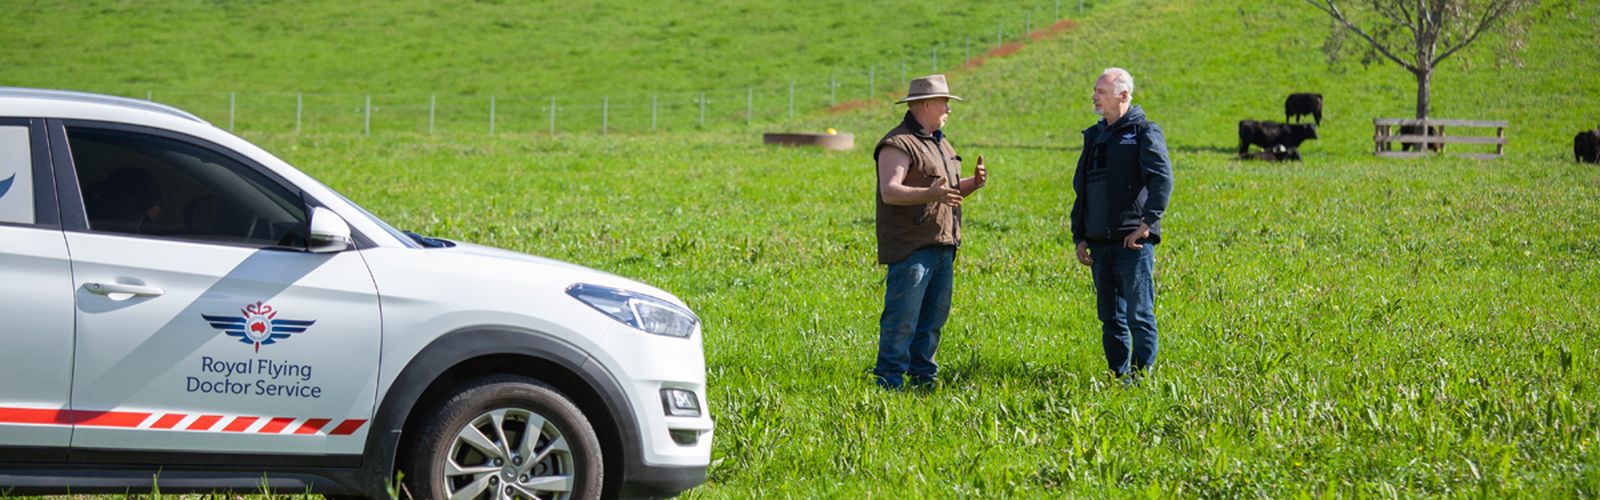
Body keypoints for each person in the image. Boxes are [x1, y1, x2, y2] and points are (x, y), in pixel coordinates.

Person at [871, 74, 987, 390]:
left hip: (943, 245)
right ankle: (889, 381)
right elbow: (890, 191)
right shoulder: (897, 143)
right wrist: (930, 194)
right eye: (944, 102)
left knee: (933, 321)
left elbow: (946, 193)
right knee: (902, 320)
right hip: (911, 247)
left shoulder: (942, 144)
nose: (948, 109)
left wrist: (973, 184)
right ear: (925, 104)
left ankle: (923, 380)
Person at [1070, 68, 1172, 383]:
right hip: (1100, 244)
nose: (1094, 97)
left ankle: (1141, 379)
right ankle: (1118, 377)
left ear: (1123, 95)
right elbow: (1083, 188)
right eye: (1095, 90)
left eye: (1101, 91)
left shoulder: (1144, 132)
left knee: (1138, 314)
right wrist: (1080, 235)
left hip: (1133, 243)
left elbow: (1161, 179)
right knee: (1110, 317)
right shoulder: (1094, 136)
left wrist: (1148, 222)